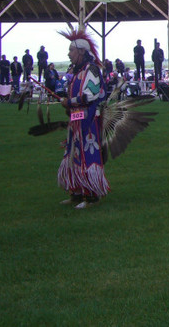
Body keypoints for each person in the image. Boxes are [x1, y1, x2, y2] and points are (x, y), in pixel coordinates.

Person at [58, 28, 108, 209]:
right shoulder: (76, 72)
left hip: (89, 123)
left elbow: (90, 96)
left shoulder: (92, 70)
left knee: (88, 154)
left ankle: (92, 195)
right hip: (76, 121)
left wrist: (68, 102)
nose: (69, 54)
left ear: (81, 51)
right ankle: (77, 192)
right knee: (73, 154)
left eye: (71, 50)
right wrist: (70, 108)